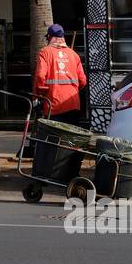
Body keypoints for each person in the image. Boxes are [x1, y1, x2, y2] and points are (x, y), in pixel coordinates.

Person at [31, 23, 87, 182]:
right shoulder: (73, 55)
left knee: (51, 141)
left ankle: (49, 174)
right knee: (70, 141)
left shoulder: (45, 52)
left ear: (49, 37)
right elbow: (82, 81)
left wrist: (38, 96)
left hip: (53, 105)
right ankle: (68, 174)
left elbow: (41, 78)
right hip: (73, 104)